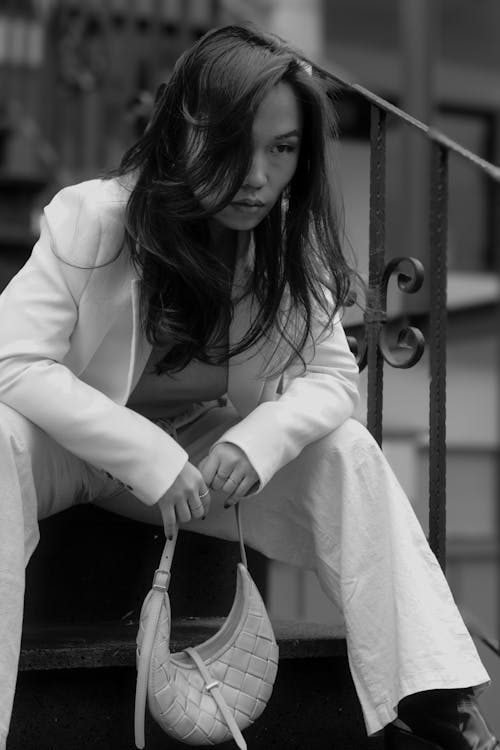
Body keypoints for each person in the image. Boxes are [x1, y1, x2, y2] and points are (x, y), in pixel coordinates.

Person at [0, 23, 496, 750]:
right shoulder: (95, 219)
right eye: (236, 145)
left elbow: (331, 378)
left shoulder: (286, 245)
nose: (259, 176)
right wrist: (147, 455)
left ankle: (432, 698)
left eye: (283, 149)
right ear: (184, 135)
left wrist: (258, 440)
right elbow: (13, 362)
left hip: (205, 464)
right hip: (80, 450)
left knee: (345, 450)